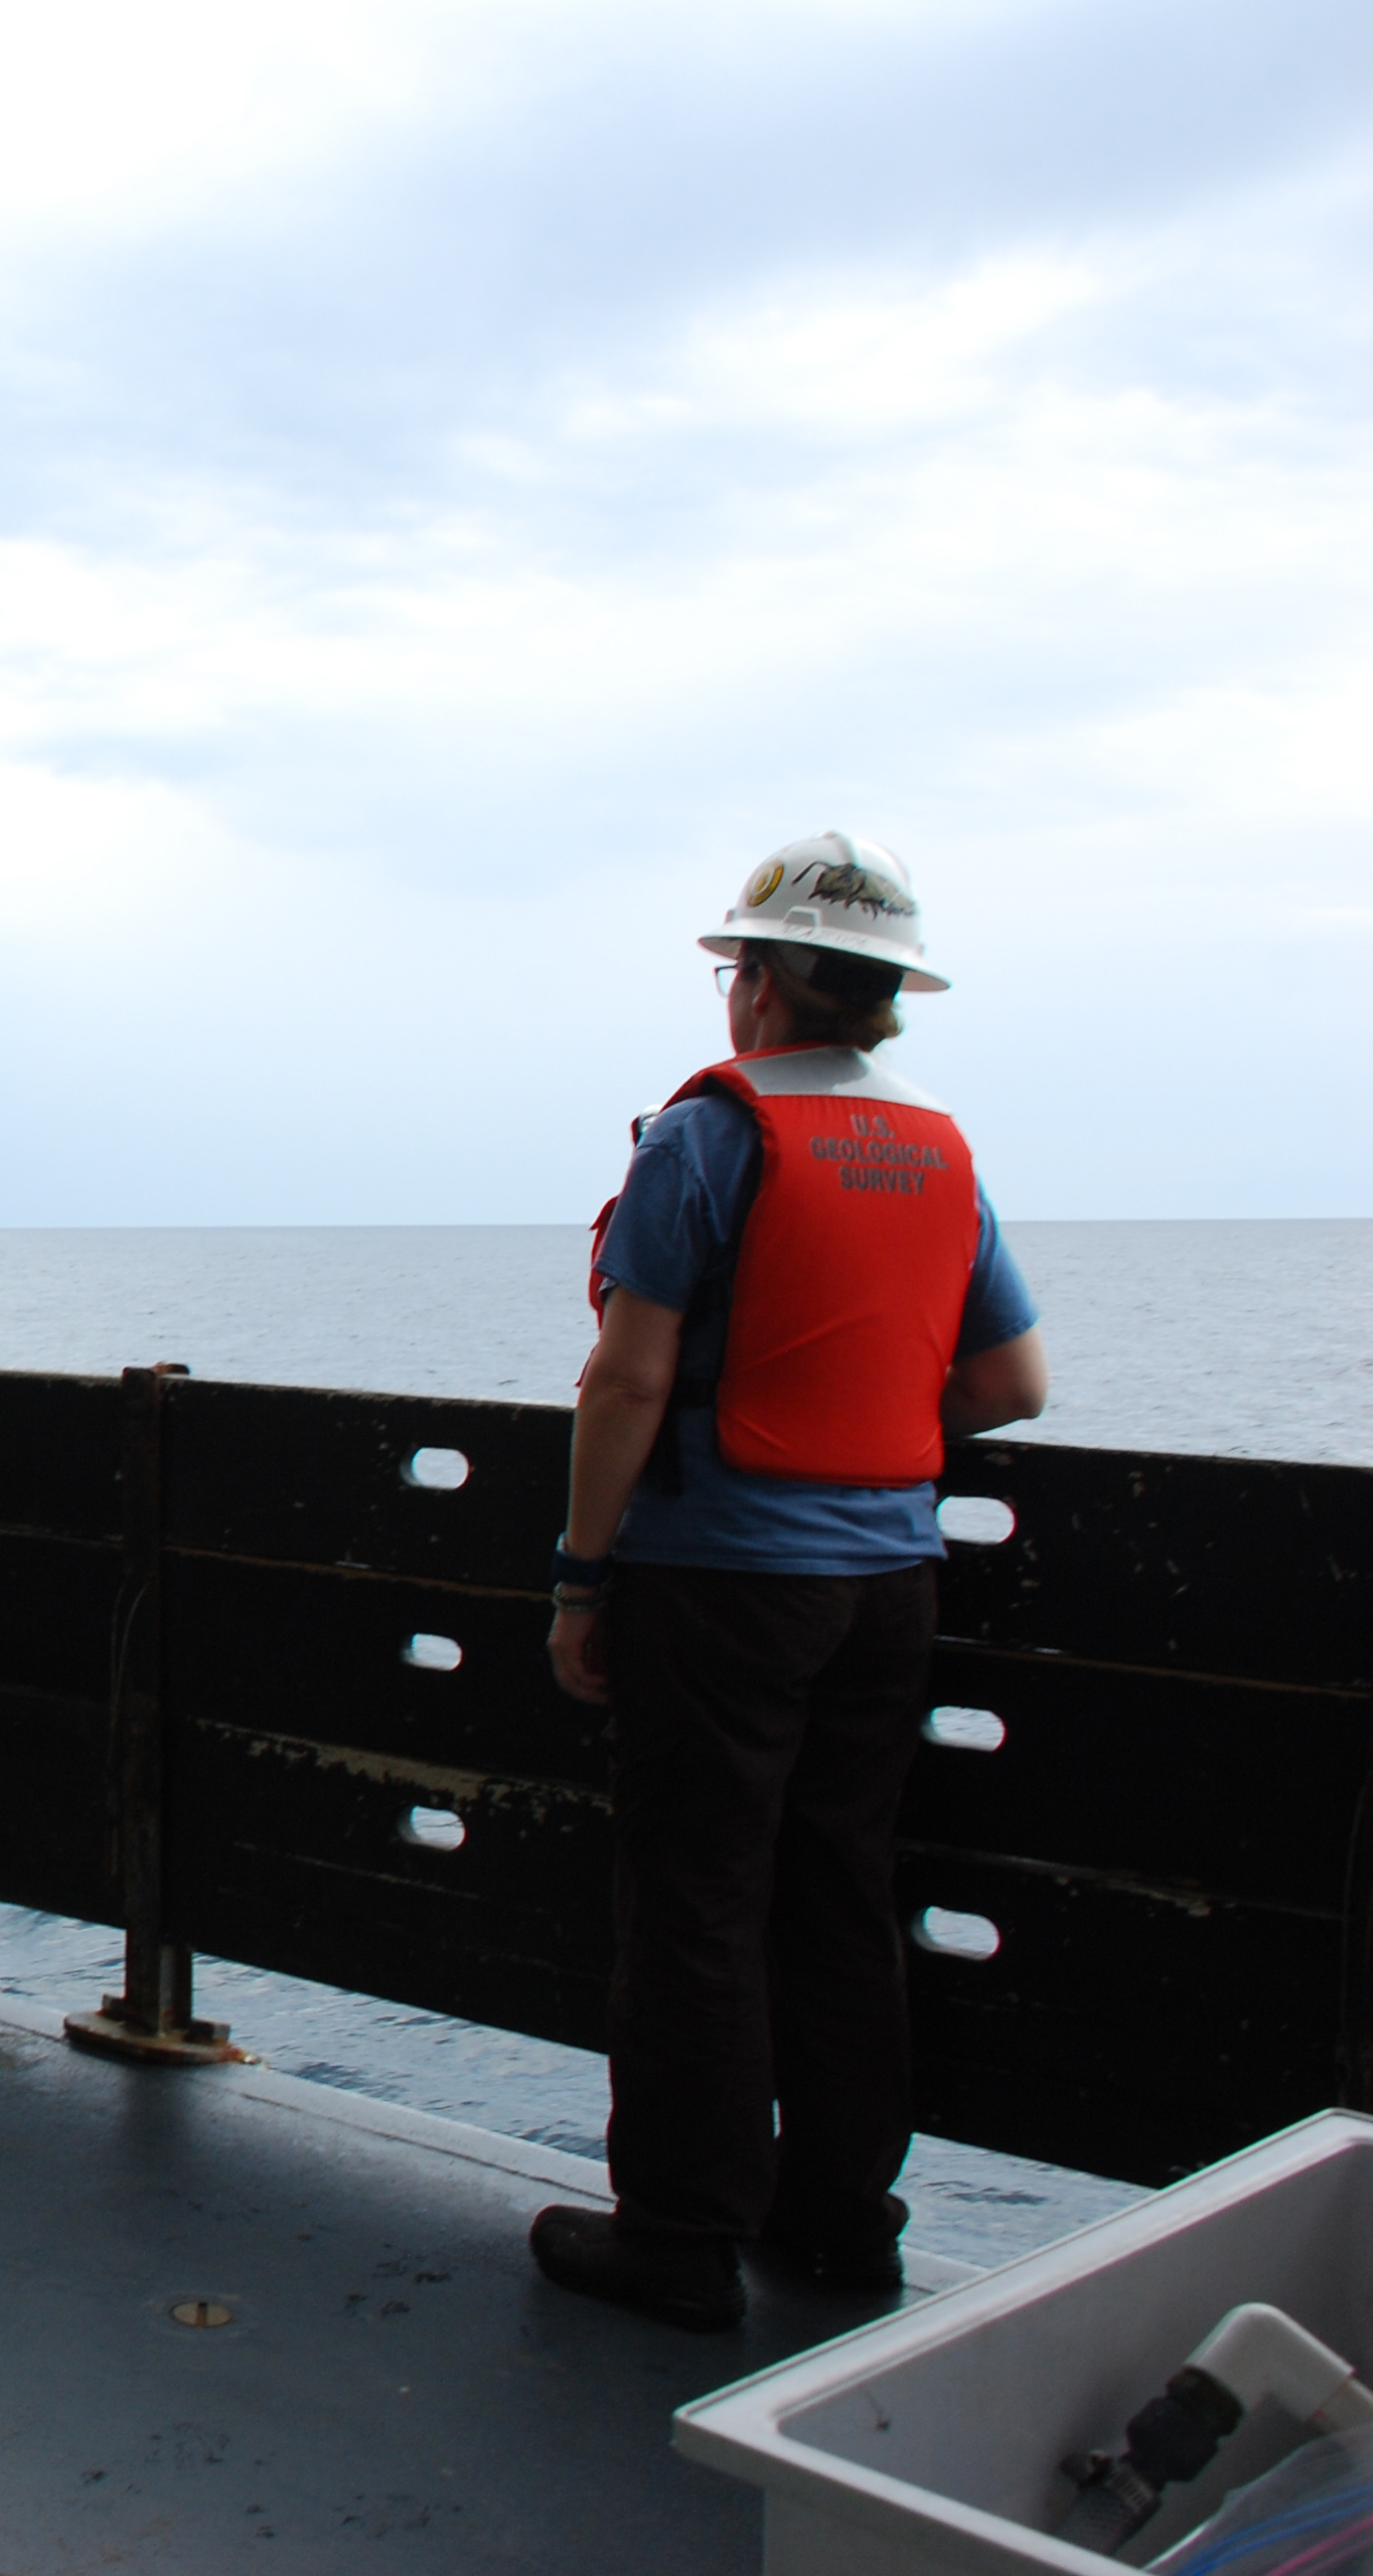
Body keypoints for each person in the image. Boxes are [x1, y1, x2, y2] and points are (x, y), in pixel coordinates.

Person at [530, 832, 1049, 2332]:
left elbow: (629, 1379)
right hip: (887, 1586)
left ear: (757, 983)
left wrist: (578, 1582)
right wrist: (860, 1428)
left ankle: (678, 2238)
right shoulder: (943, 1150)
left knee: (694, 1904)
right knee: (839, 1894)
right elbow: (1010, 1385)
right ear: (884, 997)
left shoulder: (707, 1138)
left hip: (719, 1585)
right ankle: (839, 2223)